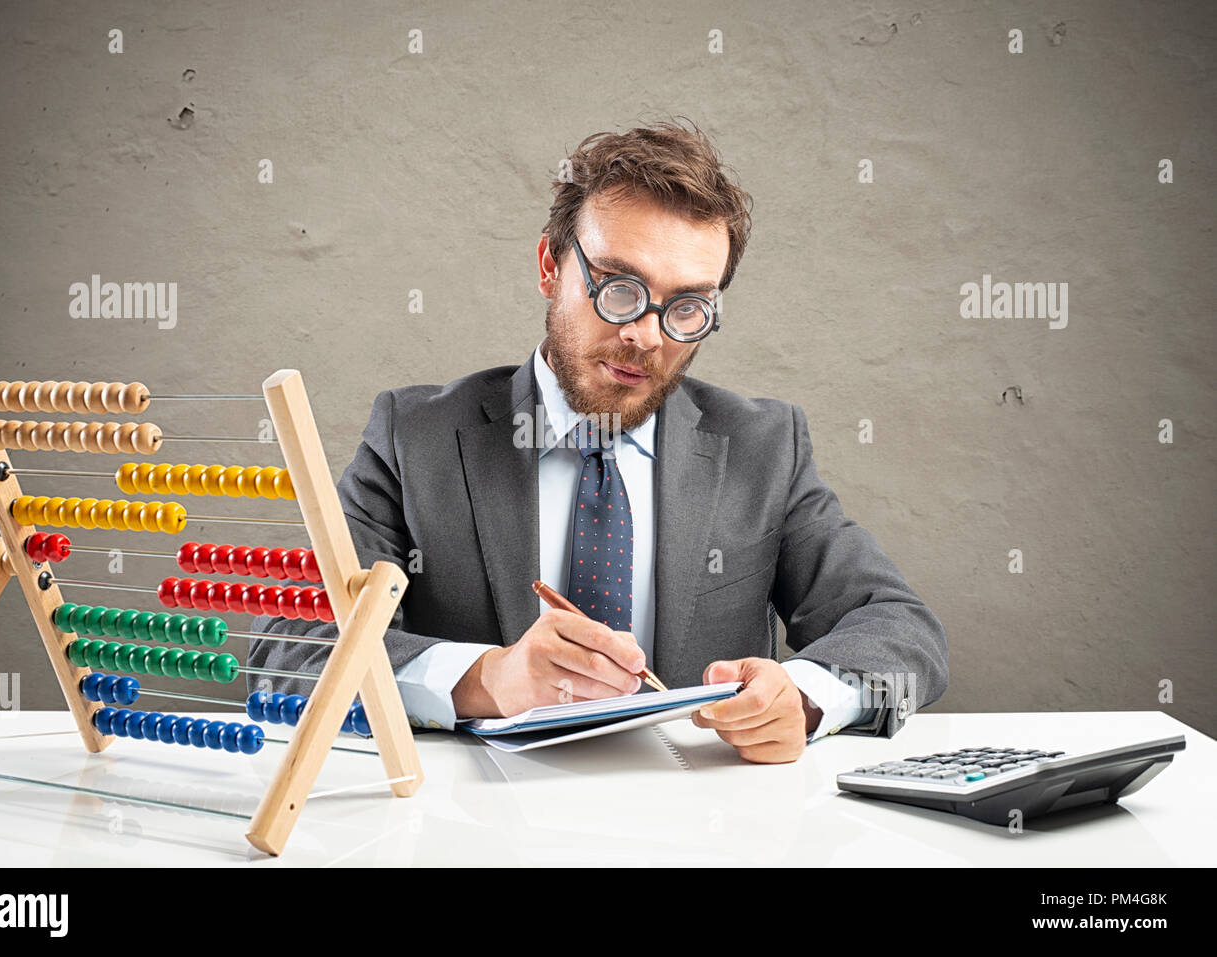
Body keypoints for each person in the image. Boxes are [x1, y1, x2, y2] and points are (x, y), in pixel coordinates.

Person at [250, 118, 948, 763]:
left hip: (706, 833)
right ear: (552, 266)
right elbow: (287, 648)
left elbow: (902, 630)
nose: (645, 333)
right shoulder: (416, 438)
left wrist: (805, 695)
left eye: (687, 308)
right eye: (618, 287)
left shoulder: (764, 447)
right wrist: (484, 678)